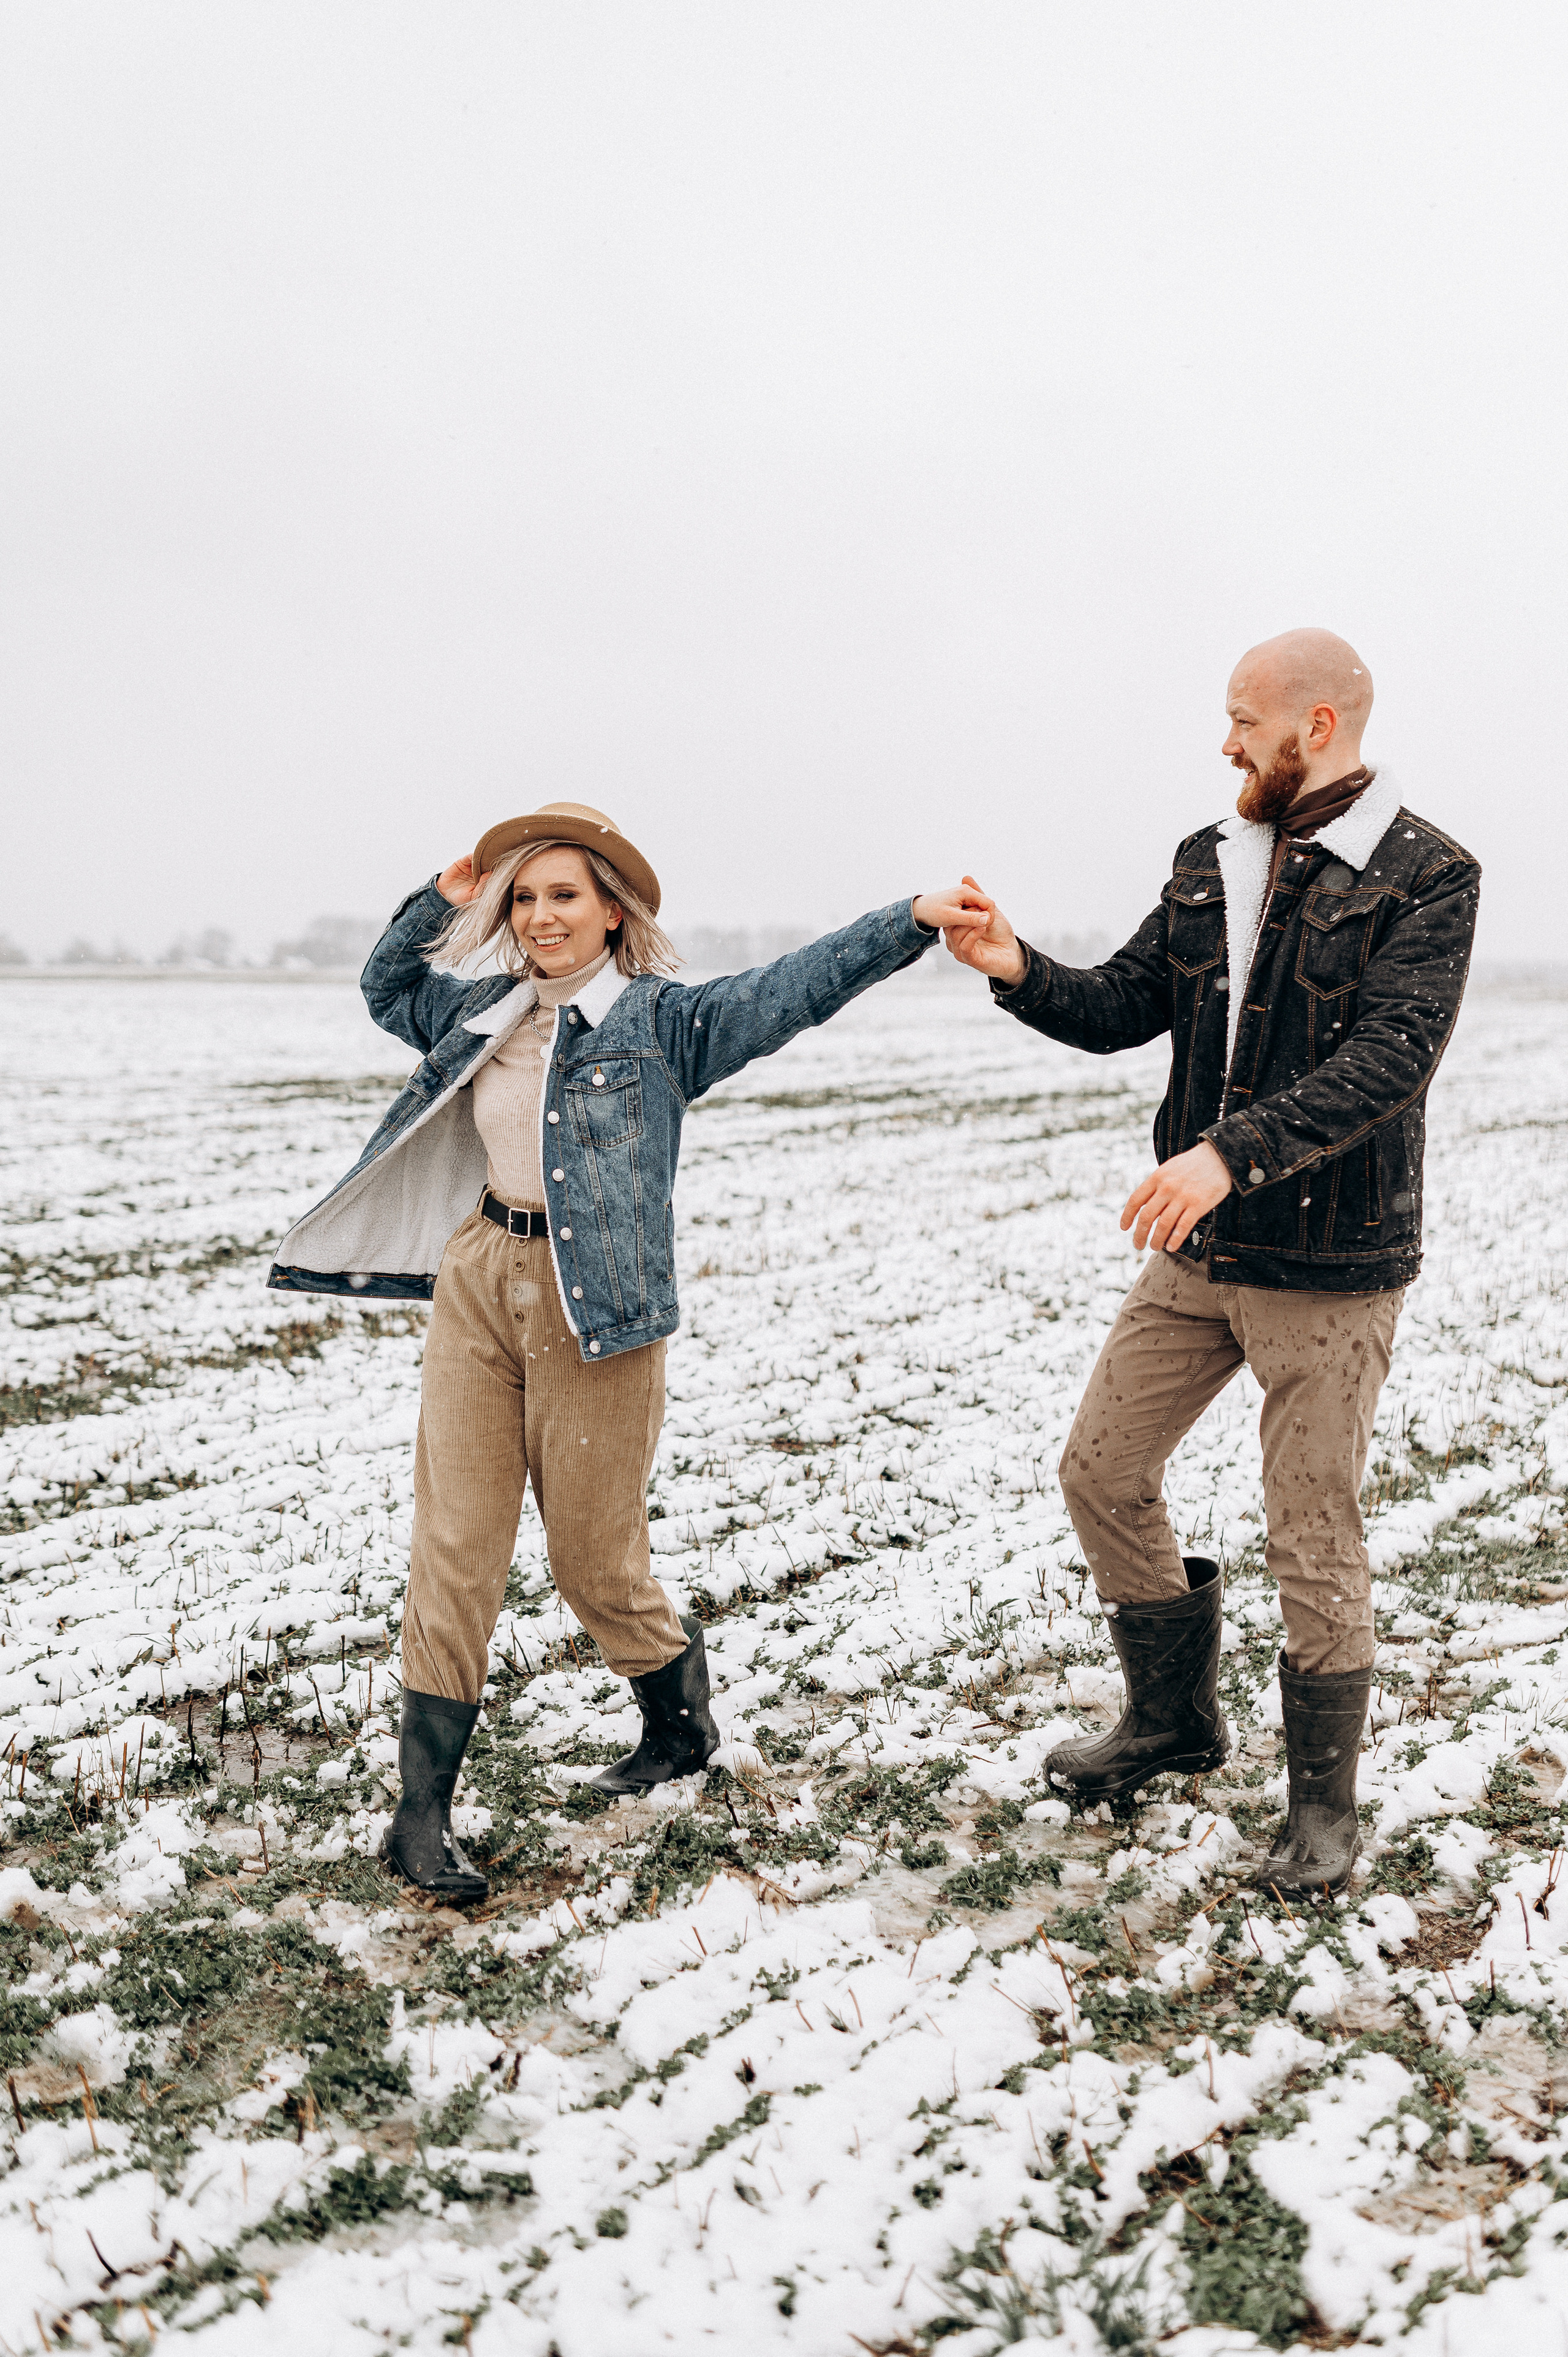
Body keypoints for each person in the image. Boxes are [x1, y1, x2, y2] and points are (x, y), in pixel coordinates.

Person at [270, 802, 977, 1902]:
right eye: (527, 896)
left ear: (611, 911)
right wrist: (442, 894)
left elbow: (795, 987)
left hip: (592, 1306)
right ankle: (419, 1817)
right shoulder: (479, 1012)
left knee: (596, 1562)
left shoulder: (665, 1026)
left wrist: (910, 921)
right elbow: (385, 989)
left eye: (566, 895)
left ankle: (679, 1728)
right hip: (477, 1280)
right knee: (455, 1541)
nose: (542, 916)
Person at [943, 630, 1480, 1894]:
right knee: (1099, 1467)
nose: (1223, 740)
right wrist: (1015, 967)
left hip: (1328, 1261)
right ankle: (1172, 1720)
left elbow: (1386, 1064)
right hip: (1199, 1250)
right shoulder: (1209, 859)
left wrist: (1225, 1155)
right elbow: (1124, 1001)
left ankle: (1320, 1813)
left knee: (1308, 1524)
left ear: (1315, 723)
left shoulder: (1427, 873)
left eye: (1241, 718)